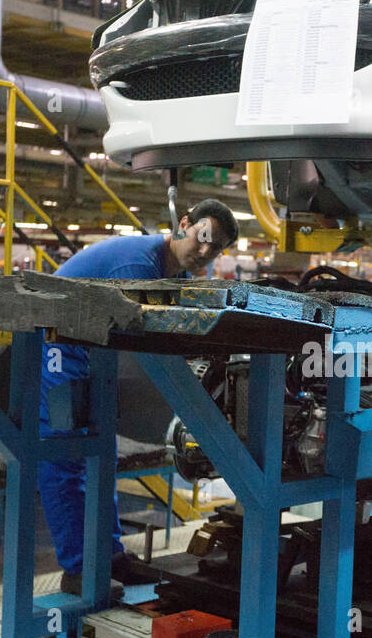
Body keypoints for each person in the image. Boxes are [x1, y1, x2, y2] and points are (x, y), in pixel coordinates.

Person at [39, 199, 238, 596]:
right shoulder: (141, 266)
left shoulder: (172, 272)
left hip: (93, 353)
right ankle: (77, 570)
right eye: (202, 238)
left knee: (102, 456)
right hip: (59, 344)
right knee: (64, 459)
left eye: (215, 248)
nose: (204, 251)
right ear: (184, 224)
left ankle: (110, 557)